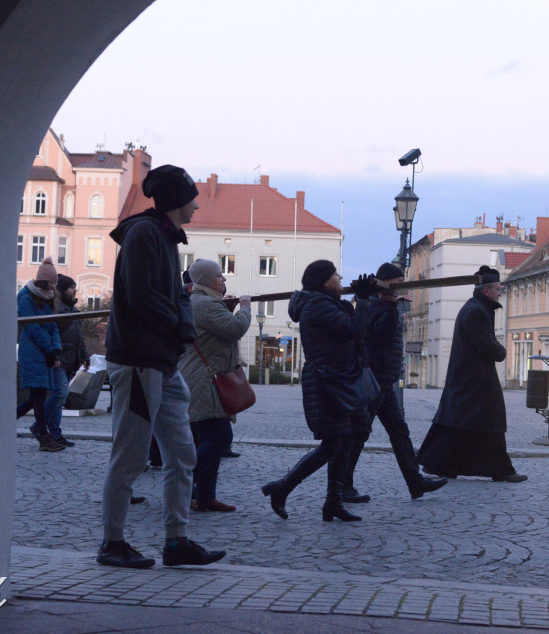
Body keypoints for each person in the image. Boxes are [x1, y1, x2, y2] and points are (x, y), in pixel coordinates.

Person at [98, 164, 226, 569]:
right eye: (192, 197)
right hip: (140, 361)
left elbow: (177, 293)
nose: (196, 205)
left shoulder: (163, 237)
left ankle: (176, 540)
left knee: (182, 452)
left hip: (162, 362)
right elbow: (142, 296)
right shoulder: (144, 235)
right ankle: (112, 543)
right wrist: (179, 327)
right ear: (175, 199)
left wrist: (180, 323)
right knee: (130, 456)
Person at [261, 260, 378, 522]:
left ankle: (333, 502)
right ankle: (283, 487)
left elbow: (353, 325)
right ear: (325, 281)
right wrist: (362, 300)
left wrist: (362, 299)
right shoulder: (317, 305)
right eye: (336, 274)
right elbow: (355, 330)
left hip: (341, 380)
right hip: (327, 382)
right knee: (332, 444)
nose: (340, 277)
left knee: (348, 438)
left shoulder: (327, 303)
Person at [344, 262, 448, 503]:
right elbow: (381, 336)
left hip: (384, 381)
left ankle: (415, 482)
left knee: (399, 432)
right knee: (360, 433)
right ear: (386, 283)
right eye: (398, 282)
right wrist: (391, 307)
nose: (403, 287)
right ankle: (343, 485)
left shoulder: (386, 305)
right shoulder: (373, 306)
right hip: (374, 381)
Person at [417, 265, 527, 483]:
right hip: (474, 379)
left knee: (460, 424)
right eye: (497, 289)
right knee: (486, 424)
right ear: (486, 290)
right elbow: (487, 346)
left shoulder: (475, 307)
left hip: (469, 377)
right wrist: (502, 351)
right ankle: (500, 470)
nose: (499, 292)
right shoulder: (477, 311)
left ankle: (444, 464)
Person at [178, 258, 252, 513]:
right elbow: (234, 329)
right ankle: (183, 486)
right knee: (221, 437)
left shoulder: (202, 302)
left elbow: (218, 331)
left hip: (202, 378)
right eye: (220, 276)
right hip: (204, 380)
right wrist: (244, 307)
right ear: (208, 280)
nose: (224, 280)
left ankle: (205, 496)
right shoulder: (206, 304)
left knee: (207, 438)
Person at [16, 258, 65, 452]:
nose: (52, 288)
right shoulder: (26, 297)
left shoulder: (48, 297)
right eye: (51, 283)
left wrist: (56, 350)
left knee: (36, 396)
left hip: (43, 352)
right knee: (38, 394)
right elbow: (33, 329)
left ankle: (2, 422)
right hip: (32, 351)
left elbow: (53, 326)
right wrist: (50, 349)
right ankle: (44, 437)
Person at [38, 274, 89, 447]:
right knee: (60, 394)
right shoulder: (56, 309)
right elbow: (51, 334)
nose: (75, 290)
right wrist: (55, 355)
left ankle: (55, 433)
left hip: (70, 360)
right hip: (58, 360)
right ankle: (39, 425)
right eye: (71, 287)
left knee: (59, 399)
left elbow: (79, 337)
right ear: (62, 290)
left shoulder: (73, 310)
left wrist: (84, 356)